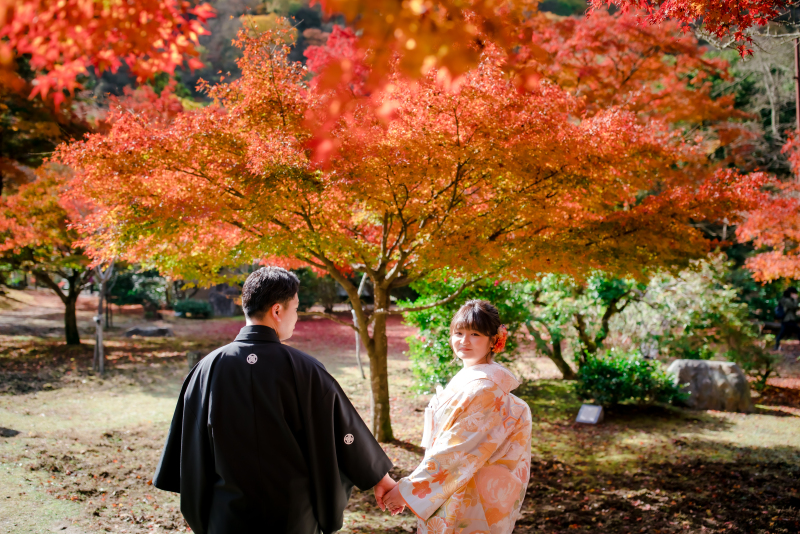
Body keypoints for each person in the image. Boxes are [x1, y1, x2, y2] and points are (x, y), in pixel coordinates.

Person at [152, 266, 398, 533]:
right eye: (296, 309)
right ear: (277, 310)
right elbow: (344, 430)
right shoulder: (305, 369)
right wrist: (379, 478)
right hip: (294, 517)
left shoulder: (206, 370)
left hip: (226, 517)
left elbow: (188, 445)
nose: (297, 318)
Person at [383, 300, 532, 534]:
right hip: (452, 485)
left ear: (494, 340)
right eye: (458, 333)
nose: (464, 341)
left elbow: (456, 449)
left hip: (467, 489)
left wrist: (406, 491)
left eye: (475, 334)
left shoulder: (486, 387)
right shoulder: (471, 378)